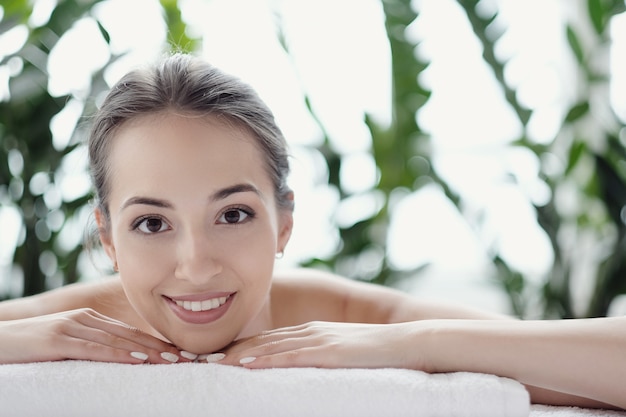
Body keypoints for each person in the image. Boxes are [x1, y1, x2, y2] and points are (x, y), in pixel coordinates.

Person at [0, 53, 624, 410]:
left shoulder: (349, 312)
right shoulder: (71, 326)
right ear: (107, 239)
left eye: (234, 214)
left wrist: (413, 344)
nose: (195, 265)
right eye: (152, 223)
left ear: (285, 220)